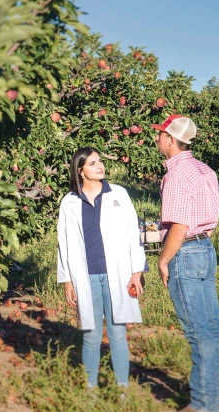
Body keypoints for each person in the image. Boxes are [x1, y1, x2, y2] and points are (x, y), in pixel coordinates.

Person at [151, 114, 219, 412]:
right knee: (214, 327)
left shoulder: (177, 175)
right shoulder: (205, 170)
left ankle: (202, 404)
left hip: (186, 251)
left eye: (160, 135)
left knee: (198, 331)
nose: (157, 139)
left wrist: (163, 259)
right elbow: (211, 214)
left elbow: (180, 226)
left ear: (171, 140)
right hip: (205, 248)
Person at [57, 147, 147, 390]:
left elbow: (132, 234)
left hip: (115, 275)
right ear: (80, 170)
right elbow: (63, 242)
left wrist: (137, 271)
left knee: (118, 335)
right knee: (91, 336)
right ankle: (90, 390)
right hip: (85, 277)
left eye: (100, 161)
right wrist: (67, 280)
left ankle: (122, 389)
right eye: (93, 163)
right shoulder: (69, 201)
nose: (100, 166)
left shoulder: (118, 194)